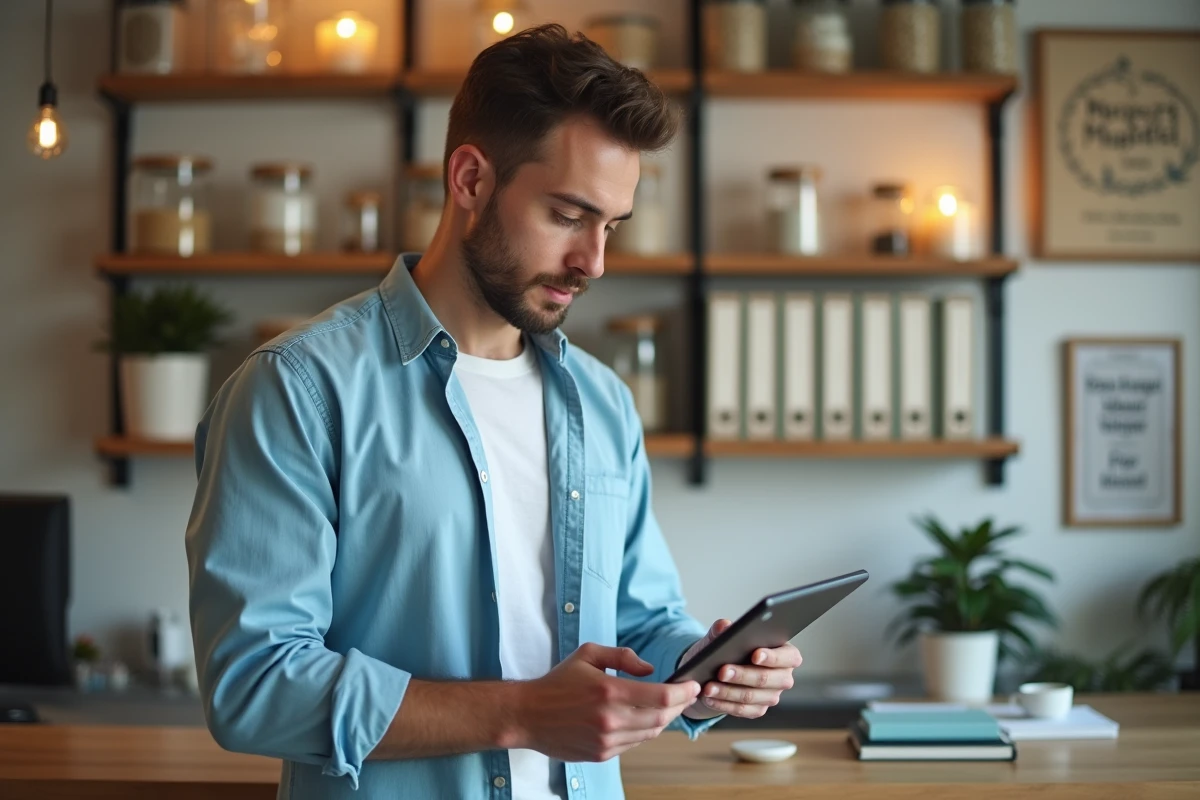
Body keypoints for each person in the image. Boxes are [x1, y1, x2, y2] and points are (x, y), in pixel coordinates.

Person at [185, 24, 801, 800]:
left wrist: (709, 671)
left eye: (610, 227)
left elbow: (642, 625)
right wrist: (521, 714)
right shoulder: (296, 391)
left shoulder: (603, 404)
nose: (594, 263)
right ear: (471, 180)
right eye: (568, 215)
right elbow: (254, 686)